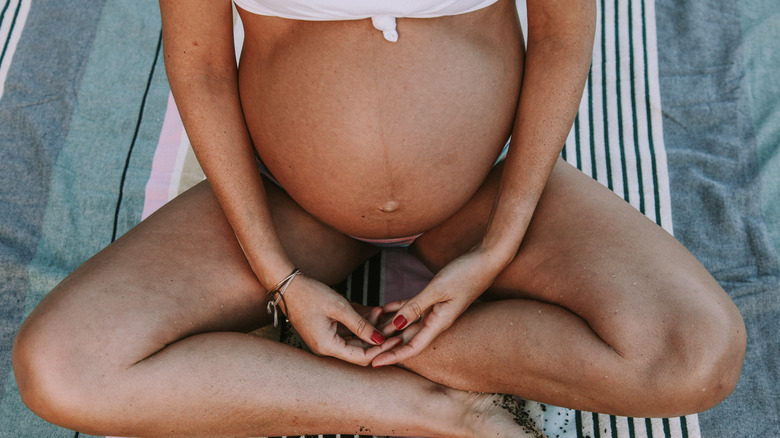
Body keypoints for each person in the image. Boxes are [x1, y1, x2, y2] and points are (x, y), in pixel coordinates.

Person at [12, 0, 746, 436]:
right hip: (288, 208)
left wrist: (499, 245)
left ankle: (314, 363)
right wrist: (279, 274)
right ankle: (435, 412)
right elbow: (201, 69)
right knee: (61, 369)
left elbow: (560, 38)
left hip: (485, 200)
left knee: (696, 356)